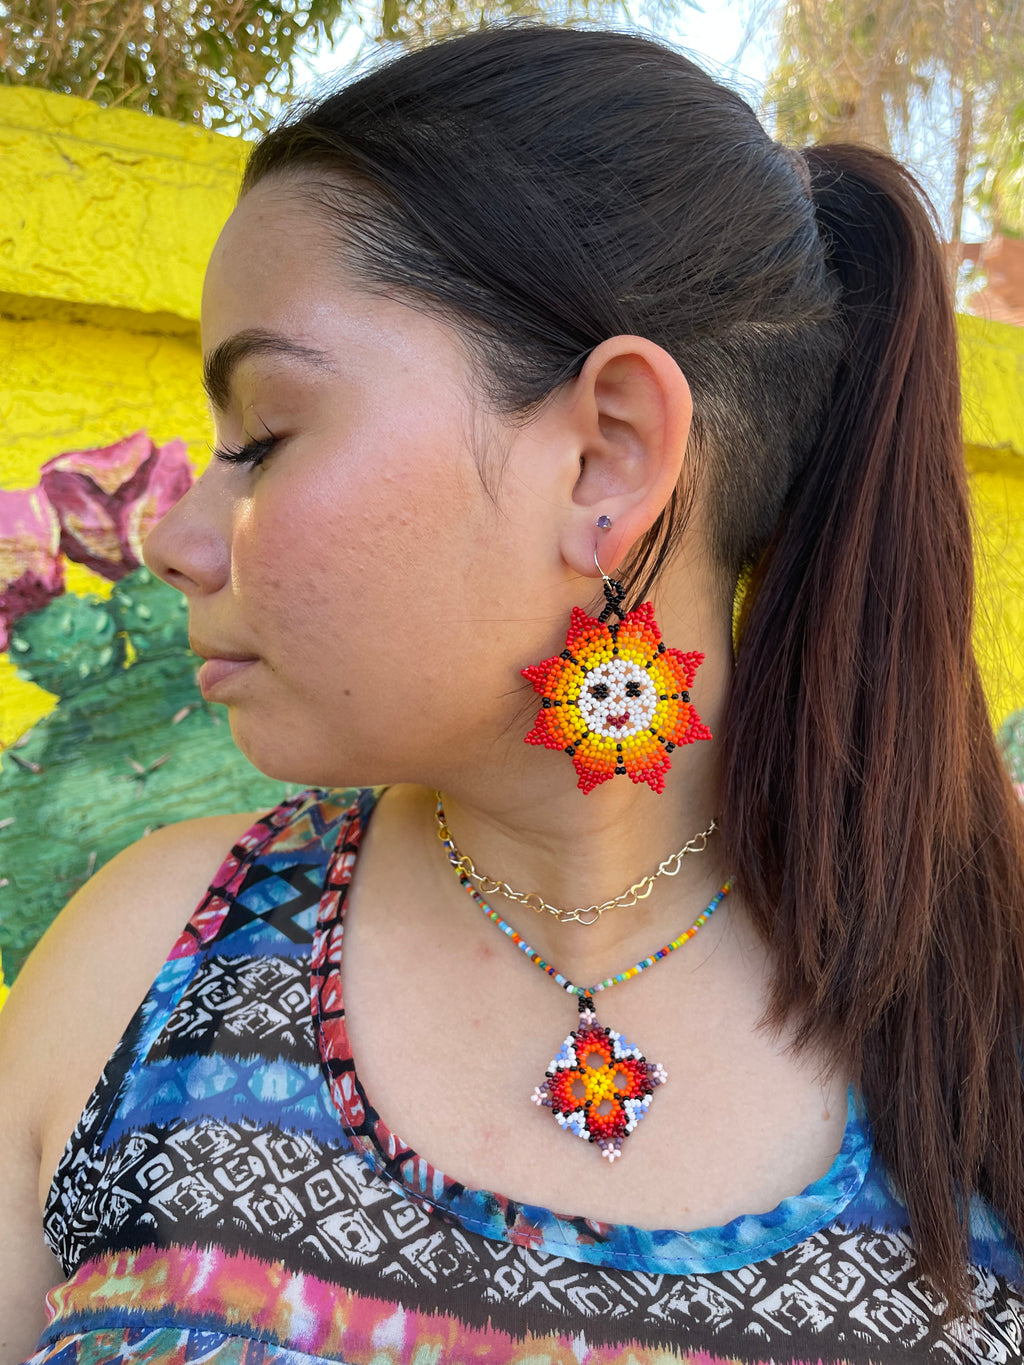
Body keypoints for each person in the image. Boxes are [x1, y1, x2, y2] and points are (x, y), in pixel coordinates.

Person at [1, 22, 1023, 1364]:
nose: (181, 536)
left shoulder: (987, 994)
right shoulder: (142, 967)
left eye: (265, 435)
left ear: (606, 457)